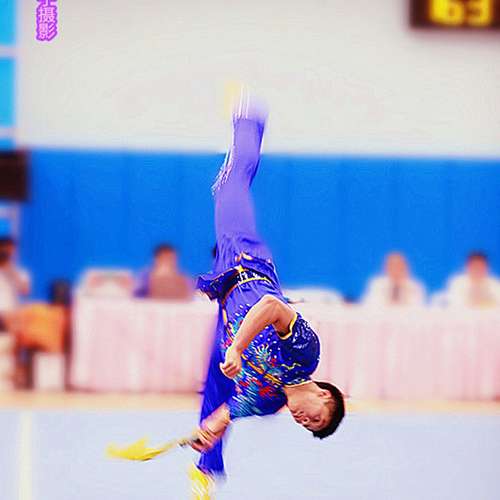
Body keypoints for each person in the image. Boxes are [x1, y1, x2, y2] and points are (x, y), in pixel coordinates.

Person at [189, 93, 345, 498]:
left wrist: (209, 430)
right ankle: (249, 117)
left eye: (307, 427)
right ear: (324, 394)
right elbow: (272, 306)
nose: (304, 421)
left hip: (226, 306)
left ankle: (207, 469)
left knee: (215, 394)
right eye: (316, 418)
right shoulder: (306, 354)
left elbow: (227, 413)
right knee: (229, 186)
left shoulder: (267, 401)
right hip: (246, 262)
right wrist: (238, 347)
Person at [0, 236, 31, 331]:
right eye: (3, 247)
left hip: (10, 315)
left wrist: (11, 270)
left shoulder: (21, 272)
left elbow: (25, 291)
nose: (6, 251)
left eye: (9, 249)